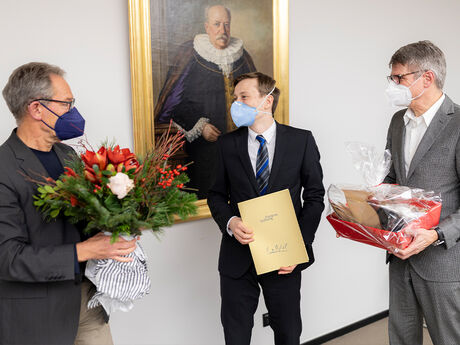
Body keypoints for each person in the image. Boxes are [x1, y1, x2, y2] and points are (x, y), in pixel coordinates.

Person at [0, 62, 137, 345]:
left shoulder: (69, 156)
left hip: (88, 304)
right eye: (66, 103)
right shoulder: (3, 168)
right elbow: (8, 259)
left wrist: (121, 219)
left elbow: (84, 221)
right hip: (36, 317)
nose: (73, 111)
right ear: (36, 109)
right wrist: (85, 250)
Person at [207, 72, 325, 345]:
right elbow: (215, 195)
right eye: (235, 98)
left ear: (267, 101)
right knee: (235, 336)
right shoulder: (227, 144)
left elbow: (315, 196)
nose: (236, 104)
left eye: (244, 97)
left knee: (288, 333)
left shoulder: (301, 140)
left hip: (284, 257)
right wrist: (231, 222)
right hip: (238, 257)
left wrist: (299, 245)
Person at [383, 41, 460, 345]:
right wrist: (365, 205)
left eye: (398, 78)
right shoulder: (397, 122)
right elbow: (391, 178)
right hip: (401, 256)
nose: (393, 85)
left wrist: (436, 234)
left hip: (443, 260)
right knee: (401, 337)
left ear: (426, 78)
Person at [155, 4, 257, 199]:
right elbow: (174, 102)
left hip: (240, 147)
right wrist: (200, 127)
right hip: (205, 148)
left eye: (226, 25)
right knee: (211, 197)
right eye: (217, 24)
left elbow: (256, 98)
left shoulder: (242, 56)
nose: (223, 30)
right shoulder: (190, 54)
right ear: (207, 27)